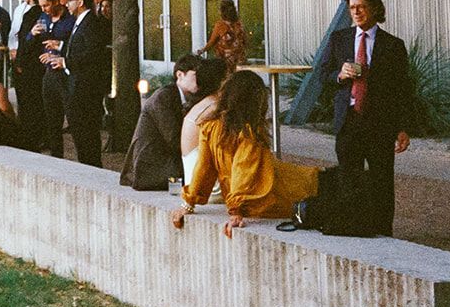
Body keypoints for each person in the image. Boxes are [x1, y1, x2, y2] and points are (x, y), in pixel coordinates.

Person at [316, 0, 415, 236]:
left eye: (361, 7)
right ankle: (353, 229)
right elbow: (321, 75)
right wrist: (339, 75)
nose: (356, 12)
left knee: (382, 179)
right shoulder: (339, 39)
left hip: (379, 122)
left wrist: (402, 128)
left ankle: (383, 233)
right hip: (348, 120)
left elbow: (402, 90)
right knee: (349, 179)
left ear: (373, 8)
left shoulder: (393, 45)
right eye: (352, 8)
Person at [172, 71, 319, 238]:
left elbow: (203, 168)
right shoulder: (248, 132)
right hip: (285, 193)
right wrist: (236, 210)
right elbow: (243, 170)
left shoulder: (209, 127)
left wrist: (188, 204)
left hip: (257, 198)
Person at [45, 0, 111, 167]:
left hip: (86, 86)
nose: (66, 4)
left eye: (70, 0)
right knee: (81, 132)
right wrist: (59, 48)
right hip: (77, 84)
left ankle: (92, 167)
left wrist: (65, 62)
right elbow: (79, 46)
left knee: (86, 132)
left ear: (80, 2)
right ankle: (87, 164)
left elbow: (92, 53)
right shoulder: (80, 20)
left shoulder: (91, 22)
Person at [121, 54, 209, 190]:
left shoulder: (188, 98)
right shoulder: (164, 97)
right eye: (196, 75)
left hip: (166, 164)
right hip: (151, 169)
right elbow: (174, 139)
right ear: (180, 75)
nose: (201, 80)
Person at [33, 0, 77, 156]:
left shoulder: (69, 19)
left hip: (66, 73)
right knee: (51, 119)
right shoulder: (43, 18)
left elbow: (75, 46)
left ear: (56, 2)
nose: (44, 9)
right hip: (49, 72)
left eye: (46, 6)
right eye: (41, 6)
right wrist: (32, 34)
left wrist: (59, 46)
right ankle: (56, 155)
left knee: (72, 117)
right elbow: (34, 41)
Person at [180, 59, 229, 182]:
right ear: (223, 81)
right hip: (209, 187)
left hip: (194, 181)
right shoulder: (215, 109)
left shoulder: (205, 104)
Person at [204, 0, 248, 73]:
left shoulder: (220, 25)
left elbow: (212, 42)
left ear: (222, 11)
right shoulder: (239, 25)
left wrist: (202, 50)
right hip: (239, 60)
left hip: (225, 61)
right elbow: (245, 42)